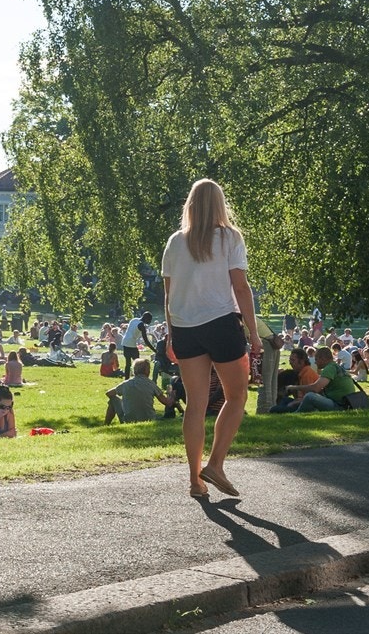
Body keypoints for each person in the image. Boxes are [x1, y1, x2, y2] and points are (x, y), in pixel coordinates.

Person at [162, 178, 257, 499]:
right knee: (237, 396)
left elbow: (168, 295)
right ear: (220, 205)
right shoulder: (230, 238)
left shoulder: (175, 242)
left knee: (195, 405)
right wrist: (254, 334)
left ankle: (195, 481)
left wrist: (171, 336)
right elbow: (241, 288)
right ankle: (215, 464)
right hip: (220, 323)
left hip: (186, 328)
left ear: (189, 205)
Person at [281, 345, 357, 411]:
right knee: (285, 401)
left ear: (323, 359)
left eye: (316, 359)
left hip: (339, 405)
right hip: (345, 402)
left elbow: (315, 388)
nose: (315, 362)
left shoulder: (329, 368)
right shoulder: (335, 366)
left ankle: (296, 414)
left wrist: (294, 387)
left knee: (310, 396)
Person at [105, 358, 167, 424]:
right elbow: (165, 401)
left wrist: (124, 402)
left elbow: (109, 393)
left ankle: (106, 424)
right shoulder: (151, 384)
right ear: (147, 371)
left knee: (113, 400)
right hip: (149, 418)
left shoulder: (126, 384)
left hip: (129, 420)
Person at [120, 311, 155, 378]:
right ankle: (139, 377)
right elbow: (146, 340)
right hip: (131, 343)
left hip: (125, 342)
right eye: (149, 320)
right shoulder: (141, 325)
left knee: (128, 363)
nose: (150, 321)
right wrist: (154, 350)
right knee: (139, 363)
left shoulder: (134, 320)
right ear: (146, 318)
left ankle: (126, 379)